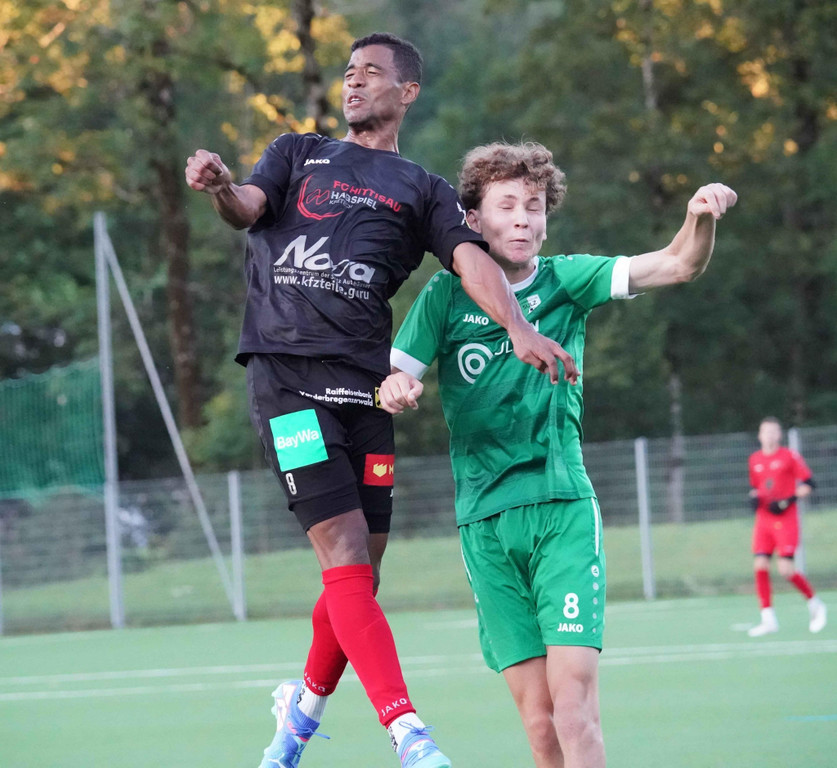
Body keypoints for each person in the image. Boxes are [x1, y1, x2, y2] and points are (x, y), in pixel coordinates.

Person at [185, 34, 578, 768]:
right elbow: (245, 207)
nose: (354, 81)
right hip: (287, 380)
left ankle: (298, 717)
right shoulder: (298, 153)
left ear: (408, 92)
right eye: (348, 72)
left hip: (364, 387)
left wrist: (517, 326)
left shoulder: (421, 188)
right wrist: (219, 187)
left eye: (371, 72)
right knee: (342, 553)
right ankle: (409, 734)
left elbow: (469, 260)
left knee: (362, 569)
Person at [379, 141, 738, 768]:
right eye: (507, 206)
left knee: (573, 710)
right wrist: (396, 389)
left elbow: (679, 264)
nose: (523, 219)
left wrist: (698, 217)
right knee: (541, 725)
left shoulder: (566, 280)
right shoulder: (443, 296)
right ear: (474, 219)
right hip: (485, 524)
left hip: (561, 510)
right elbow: (393, 376)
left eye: (535, 206)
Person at [746, 416, 827, 637]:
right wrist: (753, 497)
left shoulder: (789, 456)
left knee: (785, 569)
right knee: (760, 564)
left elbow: (809, 484)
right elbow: (756, 487)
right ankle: (768, 618)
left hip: (785, 520)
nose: (770, 436)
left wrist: (786, 501)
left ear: (779, 435)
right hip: (763, 521)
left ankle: (815, 603)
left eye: (774, 431)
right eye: (766, 431)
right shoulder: (754, 459)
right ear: (759, 435)